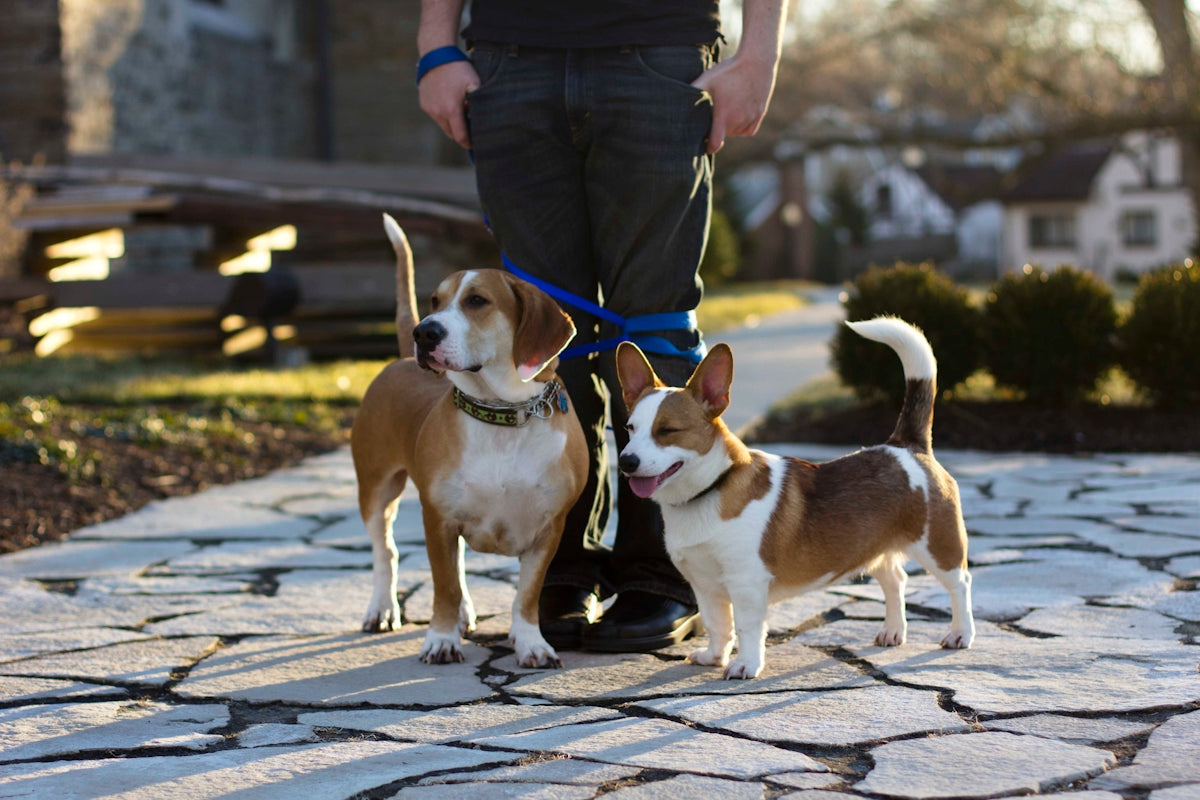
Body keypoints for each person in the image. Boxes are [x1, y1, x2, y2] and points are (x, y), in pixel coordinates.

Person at [416, 0, 787, 652]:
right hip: (511, 58)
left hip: (661, 57)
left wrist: (760, 52)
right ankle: (561, 562)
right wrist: (435, 46)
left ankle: (665, 572)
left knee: (655, 329)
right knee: (537, 334)